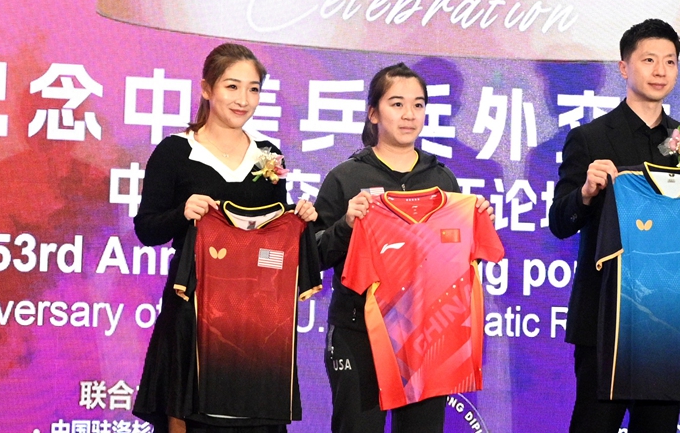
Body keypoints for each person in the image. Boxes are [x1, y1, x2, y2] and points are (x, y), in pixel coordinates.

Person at [549, 19, 680, 433]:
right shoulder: (589, 138)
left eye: (670, 61)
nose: (660, 70)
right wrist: (586, 193)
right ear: (624, 68)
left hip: (670, 317)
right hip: (606, 318)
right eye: (649, 60)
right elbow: (559, 222)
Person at [132, 43, 317, 433]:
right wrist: (182, 213)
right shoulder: (176, 152)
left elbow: (271, 239)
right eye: (232, 87)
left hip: (257, 317)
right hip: (193, 309)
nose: (243, 99)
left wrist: (299, 220)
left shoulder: (268, 155)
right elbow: (147, 229)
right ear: (206, 89)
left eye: (253, 89)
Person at [312, 63, 493, 433]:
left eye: (419, 105)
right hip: (357, 332)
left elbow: (452, 259)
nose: (409, 115)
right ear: (373, 113)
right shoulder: (346, 178)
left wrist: (475, 221)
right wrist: (345, 225)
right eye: (397, 104)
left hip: (427, 337)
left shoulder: (441, 178)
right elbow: (311, 255)